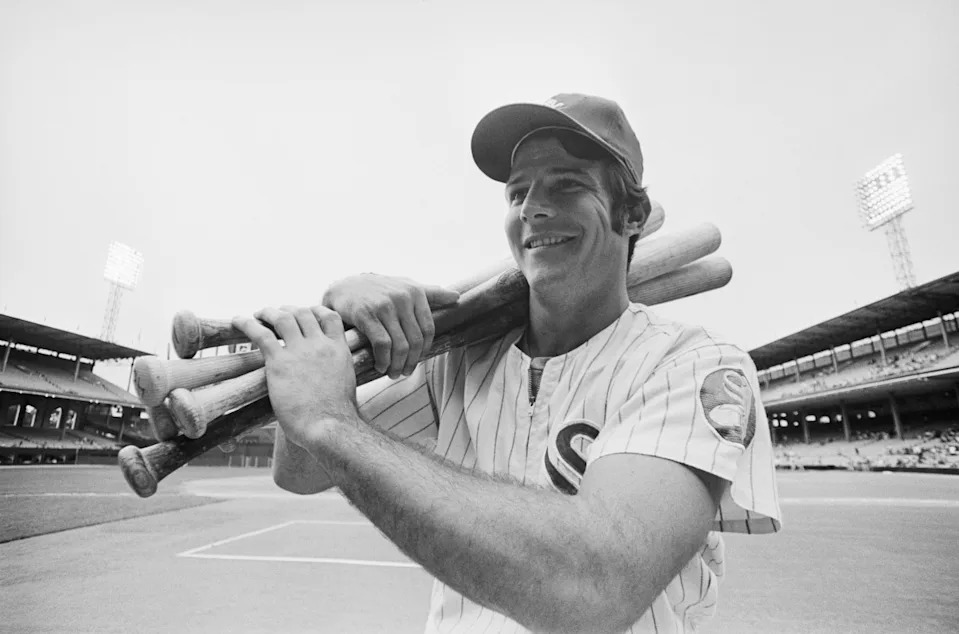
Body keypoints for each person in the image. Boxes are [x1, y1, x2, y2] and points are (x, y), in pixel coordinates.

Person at [234, 93, 782, 633]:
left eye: (567, 185)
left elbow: (594, 587)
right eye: (517, 193)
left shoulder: (692, 363)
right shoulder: (451, 362)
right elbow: (300, 469)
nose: (532, 208)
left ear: (633, 213)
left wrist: (332, 422)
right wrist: (334, 329)